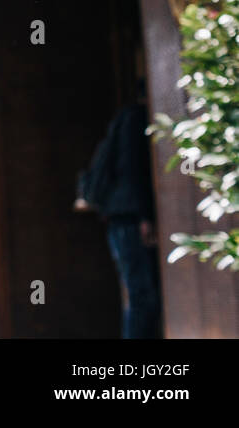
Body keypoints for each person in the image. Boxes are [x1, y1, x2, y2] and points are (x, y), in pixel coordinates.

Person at [77, 97, 163, 338]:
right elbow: (132, 170)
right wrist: (145, 216)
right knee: (142, 297)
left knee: (140, 296)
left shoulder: (125, 119)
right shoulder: (135, 119)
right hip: (129, 220)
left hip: (122, 219)